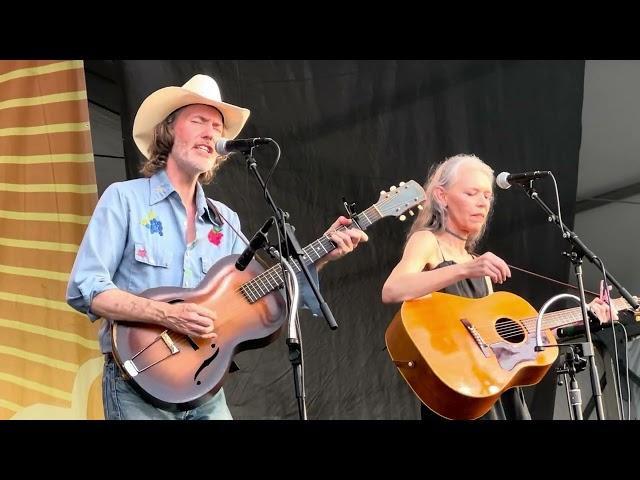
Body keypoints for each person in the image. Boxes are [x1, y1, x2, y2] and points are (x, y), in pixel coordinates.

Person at [66, 74, 368, 420]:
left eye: (217, 127)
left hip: (204, 385)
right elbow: (87, 289)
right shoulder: (125, 199)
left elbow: (260, 299)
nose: (211, 133)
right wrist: (169, 314)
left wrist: (323, 254)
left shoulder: (225, 220)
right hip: (138, 380)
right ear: (167, 130)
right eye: (198, 121)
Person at [381, 153, 616, 420]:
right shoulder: (428, 242)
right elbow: (393, 289)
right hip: (457, 386)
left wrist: (587, 314)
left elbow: (500, 340)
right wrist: (466, 269)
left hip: (494, 389)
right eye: (472, 193)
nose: (482, 203)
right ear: (442, 196)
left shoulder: (477, 265)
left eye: (487, 196)